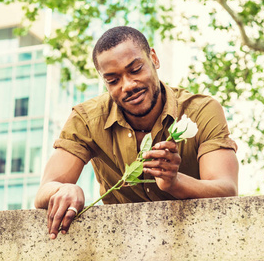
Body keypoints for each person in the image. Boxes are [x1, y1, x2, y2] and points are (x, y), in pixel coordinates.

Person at [35, 26, 239, 239]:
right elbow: (45, 190)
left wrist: (174, 183)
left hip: (196, 239)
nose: (128, 85)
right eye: (113, 80)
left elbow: (226, 189)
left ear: (154, 59)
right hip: (119, 246)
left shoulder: (202, 111)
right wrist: (64, 190)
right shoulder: (87, 119)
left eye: (135, 69)